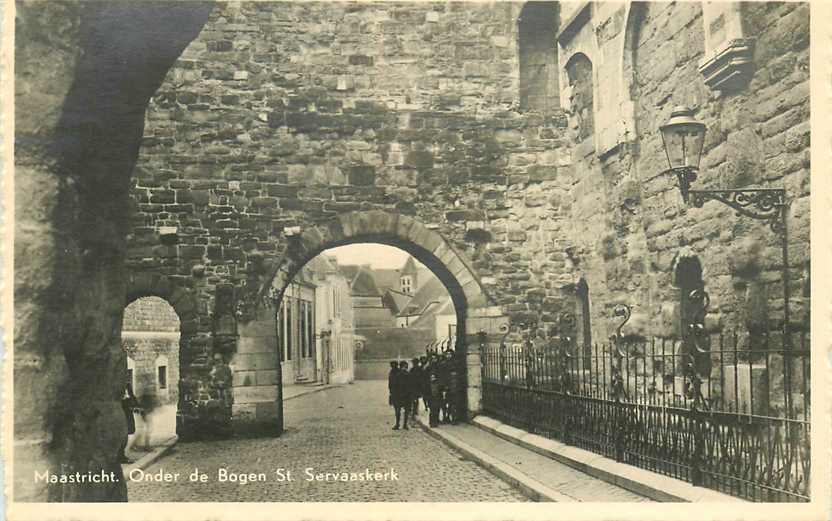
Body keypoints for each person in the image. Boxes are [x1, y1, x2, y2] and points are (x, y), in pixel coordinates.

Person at [120, 379, 139, 463]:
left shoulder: (127, 385)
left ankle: (121, 454)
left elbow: (132, 396)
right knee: (121, 434)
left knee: (128, 432)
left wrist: (137, 405)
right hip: (121, 413)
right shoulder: (115, 386)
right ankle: (120, 455)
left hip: (128, 413)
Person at [390, 361, 412, 430]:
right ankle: (399, 424)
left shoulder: (406, 375)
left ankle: (403, 424)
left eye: (405, 367)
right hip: (400, 395)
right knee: (399, 410)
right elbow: (394, 386)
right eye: (403, 367)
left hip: (405, 395)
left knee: (404, 411)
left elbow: (412, 386)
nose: (404, 368)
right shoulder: (399, 375)